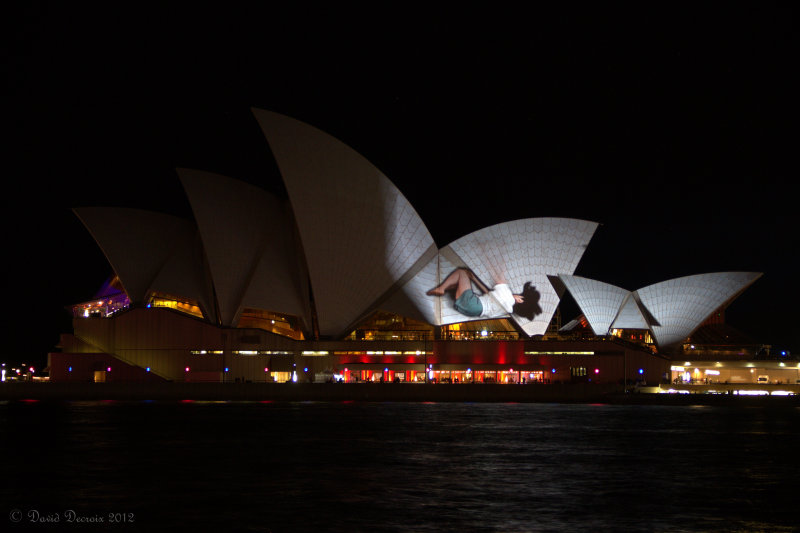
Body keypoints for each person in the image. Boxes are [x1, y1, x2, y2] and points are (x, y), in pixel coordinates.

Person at [426, 268, 541, 320]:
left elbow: (498, 280)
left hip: (475, 305)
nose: (517, 294)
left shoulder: (507, 296)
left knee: (461, 273)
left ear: (520, 300)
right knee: (458, 281)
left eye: (520, 295)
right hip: (474, 310)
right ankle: (444, 288)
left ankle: (441, 288)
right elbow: (490, 295)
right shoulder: (507, 309)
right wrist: (474, 279)